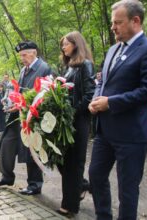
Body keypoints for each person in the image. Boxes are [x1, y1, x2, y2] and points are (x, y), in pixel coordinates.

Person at [88, 1, 147, 219]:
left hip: (131, 134)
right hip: (105, 131)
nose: (113, 27)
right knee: (95, 175)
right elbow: (102, 81)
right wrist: (95, 99)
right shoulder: (113, 49)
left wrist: (110, 102)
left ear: (136, 21)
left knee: (127, 190)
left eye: (118, 22)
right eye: (112, 22)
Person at [0, 41, 53, 196]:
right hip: (18, 114)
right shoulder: (23, 70)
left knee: (31, 150)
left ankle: (34, 184)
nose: (22, 58)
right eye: (20, 55)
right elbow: (19, 91)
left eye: (24, 54)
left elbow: (45, 94)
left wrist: (24, 104)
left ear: (34, 52)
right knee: (7, 143)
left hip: (33, 116)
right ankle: (7, 177)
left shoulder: (44, 68)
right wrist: (11, 101)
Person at [56, 31, 95, 217]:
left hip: (79, 121)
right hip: (67, 121)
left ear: (76, 44)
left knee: (75, 163)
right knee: (62, 161)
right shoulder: (69, 67)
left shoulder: (85, 65)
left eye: (66, 44)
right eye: (62, 45)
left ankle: (70, 206)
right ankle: (82, 186)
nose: (63, 47)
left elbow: (89, 94)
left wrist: (73, 112)